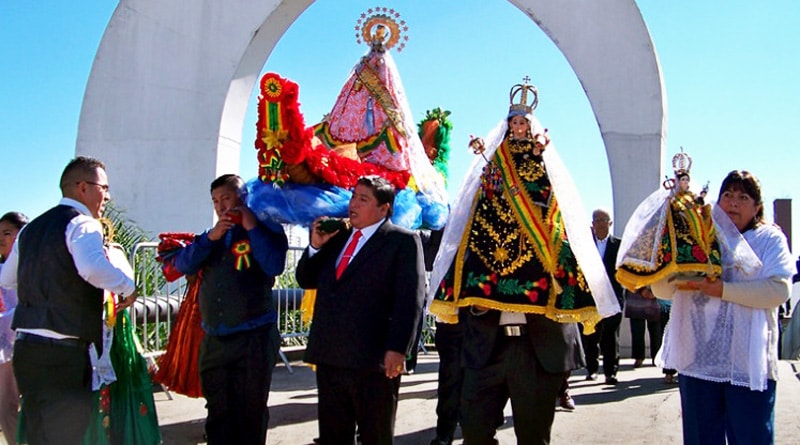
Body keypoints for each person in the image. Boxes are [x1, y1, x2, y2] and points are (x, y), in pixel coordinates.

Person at [427, 78, 619, 444]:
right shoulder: (495, 161)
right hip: (486, 346)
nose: (518, 128)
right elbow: (477, 205)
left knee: (533, 438)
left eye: (523, 124)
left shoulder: (542, 162)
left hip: (537, 349)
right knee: (476, 436)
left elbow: (553, 204)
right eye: (513, 122)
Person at [0, 156, 138, 444]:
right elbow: (92, 268)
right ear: (82, 187)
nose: (108, 196)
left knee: (38, 435)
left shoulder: (30, 229)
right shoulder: (83, 224)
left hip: (27, 351)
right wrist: (127, 287)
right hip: (64, 354)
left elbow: (7, 279)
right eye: (104, 187)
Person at [652, 170, 795, 444]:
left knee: (751, 438)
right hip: (699, 362)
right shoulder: (697, 238)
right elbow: (663, 290)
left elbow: (778, 290)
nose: (733, 202)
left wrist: (723, 290)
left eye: (743, 197)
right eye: (727, 195)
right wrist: (664, 256)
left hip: (748, 365)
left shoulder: (769, 239)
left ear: (757, 207)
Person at [296, 175, 425, 445]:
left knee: (374, 435)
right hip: (330, 355)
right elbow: (307, 280)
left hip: (373, 361)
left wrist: (398, 348)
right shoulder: (337, 236)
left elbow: (410, 299)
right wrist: (315, 246)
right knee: (333, 435)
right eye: (353, 196)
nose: (353, 204)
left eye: (363, 199)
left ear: (384, 208)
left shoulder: (402, 241)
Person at [170, 174, 288, 445]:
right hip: (215, 339)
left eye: (226, 198)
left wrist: (251, 225)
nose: (221, 206)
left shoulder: (268, 230)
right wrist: (212, 237)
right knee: (218, 412)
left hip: (254, 336)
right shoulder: (211, 238)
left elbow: (273, 266)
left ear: (242, 198)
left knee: (250, 412)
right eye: (215, 201)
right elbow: (183, 264)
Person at [581, 209, 625, 384]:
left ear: (610, 222)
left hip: (613, 297)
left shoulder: (619, 244)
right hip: (590, 297)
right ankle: (591, 369)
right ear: (592, 223)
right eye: (596, 220)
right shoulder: (585, 245)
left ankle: (610, 372)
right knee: (590, 334)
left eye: (603, 219)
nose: (600, 223)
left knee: (611, 335)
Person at [0, 211, 27, 444]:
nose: (1, 238)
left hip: (33, 343)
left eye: (7, 233)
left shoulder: (35, 268)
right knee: (6, 404)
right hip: (5, 349)